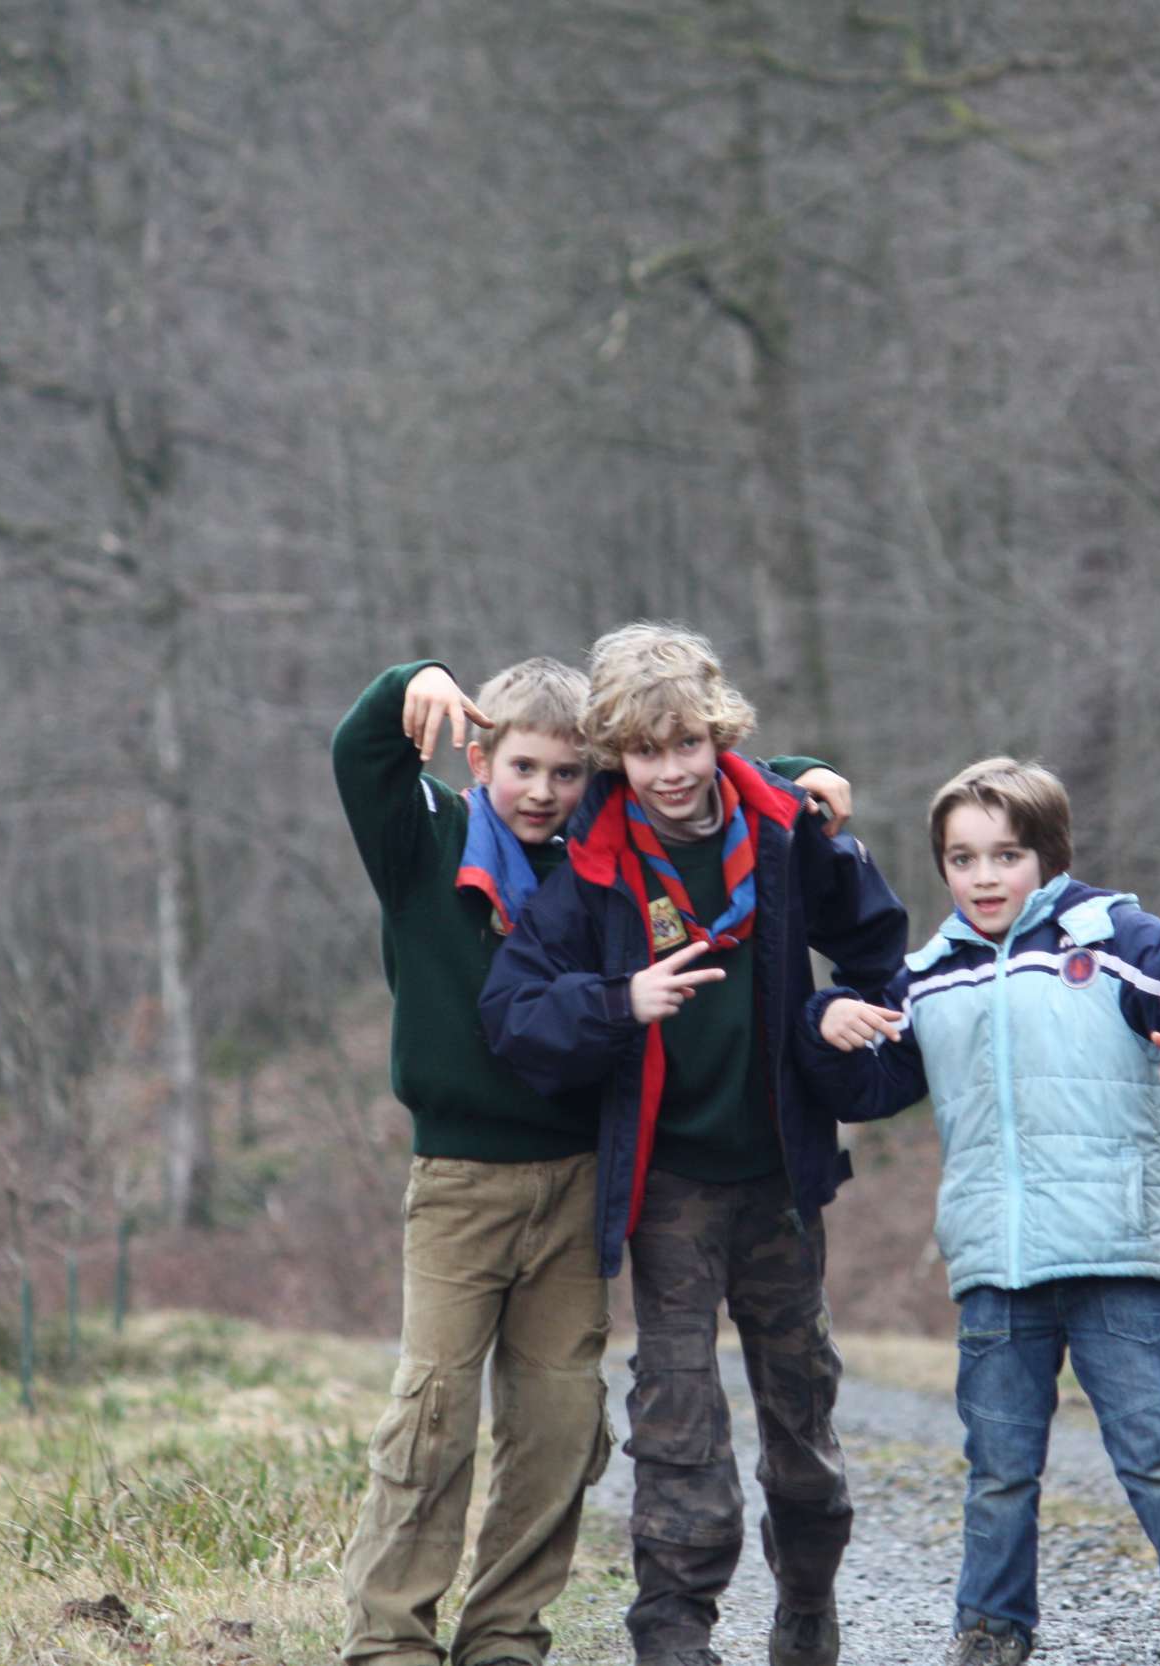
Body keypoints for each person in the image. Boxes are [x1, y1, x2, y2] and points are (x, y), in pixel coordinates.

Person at [329, 654, 851, 1666]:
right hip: (461, 1183)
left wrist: (806, 772)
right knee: (433, 1412)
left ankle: (505, 1637)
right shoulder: (425, 841)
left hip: (583, 1174)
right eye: (523, 768)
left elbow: (701, 781)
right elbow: (361, 757)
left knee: (561, 1423)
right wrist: (409, 680)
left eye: (568, 773)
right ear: (481, 760)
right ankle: (390, 1638)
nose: (542, 792)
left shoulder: (602, 851)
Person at [479, 622, 909, 1666]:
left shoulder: (789, 836)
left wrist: (836, 1025)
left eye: (687, 744)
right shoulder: (591, 869)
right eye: (643, 751)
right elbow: (512, 1013)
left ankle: (807, 1606)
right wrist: (616, 1002)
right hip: (668, 1184)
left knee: (802, 1423)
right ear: (614, 757)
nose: (670, 771)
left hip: (781, 1175)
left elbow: (881, 954)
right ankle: (672, 1634)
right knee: (676, 1426)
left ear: (720, 736)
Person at [800, 757, 1160, 1666]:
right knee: (999, 1470)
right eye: (961, 859)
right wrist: (826, 1022)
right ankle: (990, 1629)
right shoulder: (929, 976)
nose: (983, 878)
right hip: (995, 1261)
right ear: (941, 866)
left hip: (1112, 1250)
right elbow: (869, 1085)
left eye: (1005, 856)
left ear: (1047, 856)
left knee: (1158, 1454)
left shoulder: (1109, 937)